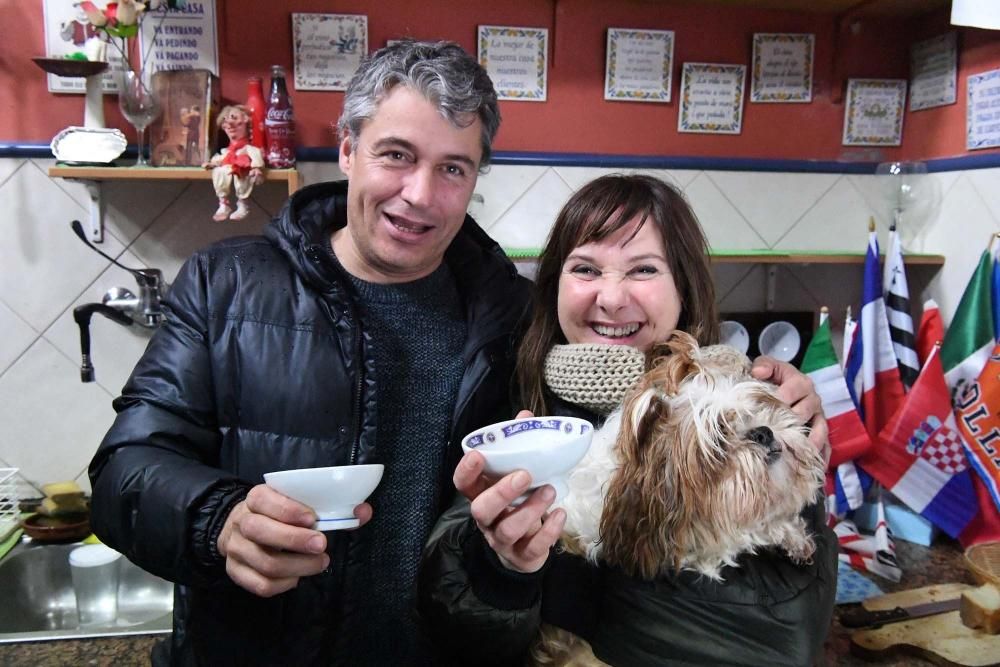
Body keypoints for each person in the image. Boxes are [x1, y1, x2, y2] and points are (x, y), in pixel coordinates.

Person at [89, 40, 531, 666]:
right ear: (348, 151)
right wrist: (219, 522)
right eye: (396, 156)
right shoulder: (227, 284)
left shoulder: (509, 314)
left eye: (453, 169)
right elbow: (123, 470)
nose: (421, 194)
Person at [418, 174, 837, 666]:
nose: (612, 298)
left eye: (642, 269)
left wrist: (569, 590)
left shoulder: (755, 402)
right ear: (554, 286)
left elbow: (784, 634)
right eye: (586, 269)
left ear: (683, 285)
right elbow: (452, 624)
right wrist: (503, 571)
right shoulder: (511, 408)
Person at [203, 104, 264, 221]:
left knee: (241, 171)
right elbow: (223, 158)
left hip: (242, 166)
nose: (230, 125)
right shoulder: (228, 151)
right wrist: (213, 163)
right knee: (220, 171)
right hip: (229, 165)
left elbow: (255, 156)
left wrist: (257, 168)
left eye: (235, 120)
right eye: (225, 123)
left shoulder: (248, 149)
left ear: (246, 122)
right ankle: (223, 203)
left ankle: (242, 204)